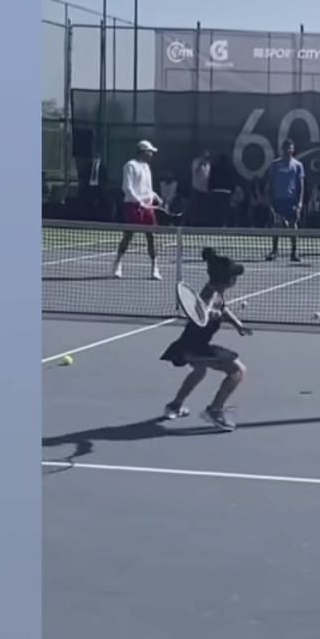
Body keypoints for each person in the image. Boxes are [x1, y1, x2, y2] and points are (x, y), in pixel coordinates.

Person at [161, 249, 251, 432]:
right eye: (234, 276)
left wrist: (237, 324)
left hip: (192, 344)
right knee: (237, 370)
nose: (236, 279)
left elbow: (222, 310)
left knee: (199, 372)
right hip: (194, 346)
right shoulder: (207, 294)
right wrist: (211, 313)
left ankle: (174, 405)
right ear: (225, 279)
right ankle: (215, 410)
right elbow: (204, 310)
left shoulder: (218, 292)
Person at [113, 140, 162, 279]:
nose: (152, 154)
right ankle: (117, 264)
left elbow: (147, 189)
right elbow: (127, 188)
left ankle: (155, 268)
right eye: (150, 152)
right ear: (143, 152)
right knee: (128, 236)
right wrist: (139, 202)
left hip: (147, 207)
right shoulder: (130, 166)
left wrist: (156, 197)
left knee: (152, 237)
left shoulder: (147, 167)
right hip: (132, 205)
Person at [265, 139, 305, 262]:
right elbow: (270, 184)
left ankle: (294, 252)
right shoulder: (275, 165)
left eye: (290, 148)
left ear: (293, 149)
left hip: (291, 201)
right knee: (276, 226)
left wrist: (299, 202)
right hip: (278, 200)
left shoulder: (298, 165)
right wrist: (270, 201)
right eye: (286, 148)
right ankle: (274, 251)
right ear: (282, 149)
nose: (288, 150)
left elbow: (301, 185)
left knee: (293, 226)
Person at [190, 151, 212, 225]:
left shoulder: (208, 165)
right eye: (205, 156)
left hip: (205, 190)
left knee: (204, 209)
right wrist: (200, 163)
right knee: (195, 208)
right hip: (196, 189)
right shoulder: (196, 161)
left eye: (208, 156)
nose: (206, 157)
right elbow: (195, 170)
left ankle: (202, 223)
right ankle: (194, 224)